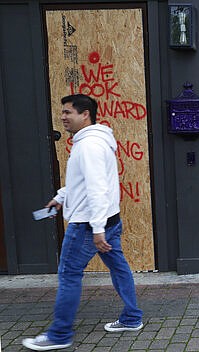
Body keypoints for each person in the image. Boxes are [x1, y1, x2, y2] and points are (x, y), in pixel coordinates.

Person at [22, 94, 143, 351]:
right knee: (119, 267)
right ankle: (132, 318)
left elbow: (97, 188)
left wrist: (97, 230)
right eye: (63, 112)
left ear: (85, 114)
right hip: (108, 220)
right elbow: (82, 182)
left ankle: (60, 334)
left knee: (68, 276)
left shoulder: (88, 146)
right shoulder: (94, 141)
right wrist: (61, 197)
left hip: (88, 225)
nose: (63, 117)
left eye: (68, 112)